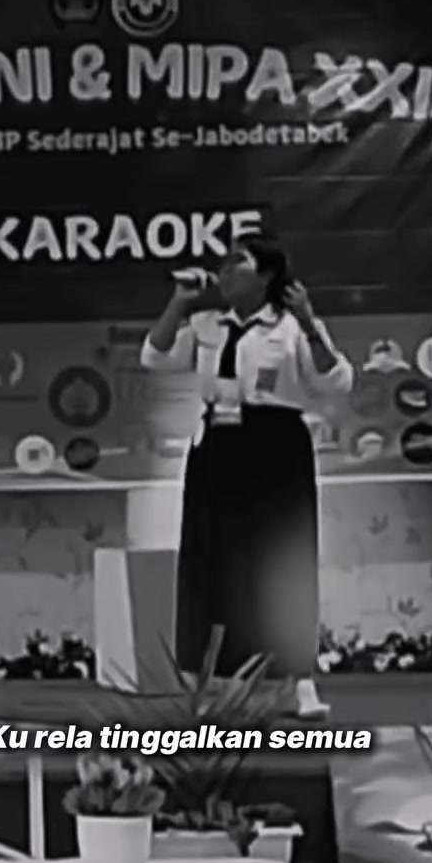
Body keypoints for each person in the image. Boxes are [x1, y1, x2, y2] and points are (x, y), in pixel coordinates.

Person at [140, 234, 354, 718]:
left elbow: (337, 381)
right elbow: (154, 357)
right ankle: (216, 685)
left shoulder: (292, 327)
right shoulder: (206, 325)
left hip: (275, 446)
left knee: (282, 562)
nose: (225, 269)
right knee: (214, 562)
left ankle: (298, 680)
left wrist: (310, 323)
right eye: (224, 261)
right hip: (218, 446)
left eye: (238, 262)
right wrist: (179, 302)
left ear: (266, 276)